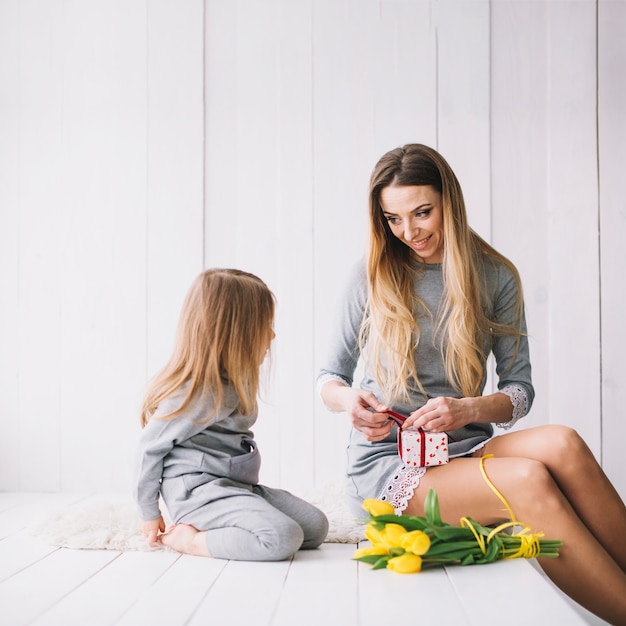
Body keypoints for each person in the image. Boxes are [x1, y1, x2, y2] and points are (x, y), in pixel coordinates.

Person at [317, 144, 626, 624]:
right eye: (393, 219)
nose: (409, 231)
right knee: (528, 479)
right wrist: (347, 401)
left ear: (450, 203)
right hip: (391, 466)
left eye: (422, 212)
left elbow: (519, 393)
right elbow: (328, 377)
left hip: (463, 449)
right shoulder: (371, 274)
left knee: (563, 442)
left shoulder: (496, 276)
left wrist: (466, 411)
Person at [135, 268, 328, 561]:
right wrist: (149, 513)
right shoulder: (197, 393)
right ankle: (190, 541)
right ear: (236, 333)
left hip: (234, 486)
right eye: (265, 325)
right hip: (197, 494)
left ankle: (234, 518)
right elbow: (149, 449)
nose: (273, 334)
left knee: (315, 527)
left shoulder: (234, 382)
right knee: (281, 537)